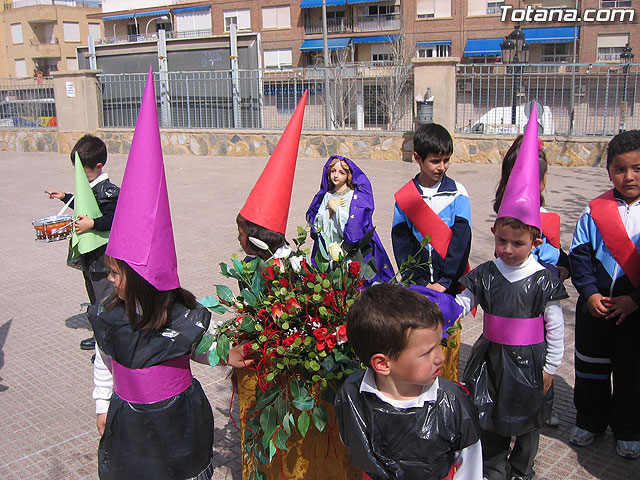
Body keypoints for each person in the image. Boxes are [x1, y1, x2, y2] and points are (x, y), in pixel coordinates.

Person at [89, 67, 214, 479]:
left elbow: (207, 351)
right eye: (107, 271)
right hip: (132, 434)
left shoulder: (183, 317)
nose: (109, 280)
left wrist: (240, 353)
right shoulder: (108, 316)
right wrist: (102, 404)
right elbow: (104, 364)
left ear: (143, 280)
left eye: (116, 274)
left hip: (180, 427)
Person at [456, 107, 567, 480]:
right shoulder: (488, 273)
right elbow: (466, 301)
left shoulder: (545, 278)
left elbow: (555, 327)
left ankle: (523, 469)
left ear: (535, 241)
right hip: (493, 358)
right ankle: (493, 469)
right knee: (489, 416)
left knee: (527, 422)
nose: (505, 249)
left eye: (516, 243)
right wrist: (447, 310)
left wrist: (551, 367)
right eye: (500, 240)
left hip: (530, 362)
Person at [334, 283, 482, 480]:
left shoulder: (453, 403)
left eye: (439, 345)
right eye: (427, 352)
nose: (440, 357)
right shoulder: (351, 397)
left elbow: (470, 468)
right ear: (383, 363)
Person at [568, 129, 640, 459]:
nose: (629, 177)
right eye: (620, 169)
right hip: (594, 310)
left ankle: (628, 428)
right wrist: (590, 293)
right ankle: (591, 421)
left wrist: (635, 300)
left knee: (631, 373)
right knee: (590, 370)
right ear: (608, 170)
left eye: (638, 168)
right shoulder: (593, 210)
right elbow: (580, 255)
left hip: (634, 314)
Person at [493, 134, 570, 428]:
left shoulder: (546, 218)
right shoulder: (508, 217)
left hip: (541, 291)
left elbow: (561, 259)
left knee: (542, 348)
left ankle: (544, 405)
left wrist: (561, 268)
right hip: (517, 293)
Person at [48, 134, 119, 351]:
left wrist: (93, 224)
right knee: (94, 296)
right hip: (89, 257)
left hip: (102, 258)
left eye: (83, 169)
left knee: (107, 298)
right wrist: (64, 197)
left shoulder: (109, 192)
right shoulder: (87, 187)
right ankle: (101, 336)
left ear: (98, 166)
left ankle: (111, 342)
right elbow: (83, 206)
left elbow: (113, 219)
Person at [392, 123, 471, 295]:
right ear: (417, 158)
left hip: (449, 287)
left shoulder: (458, 194)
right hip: (418, 288)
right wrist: (417, 281)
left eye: (446, 160)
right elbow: (402, 245)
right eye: (435, 161)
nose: (442, 167)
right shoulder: (405, 197)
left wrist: (446, 281)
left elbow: (461, 243)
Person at [493, 134, 570, 283]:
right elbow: (522, 263)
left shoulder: (504, 216)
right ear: (540, 181)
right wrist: (559, 270)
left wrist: (565, 265)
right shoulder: (531, 220)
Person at [307, 155, 394, 283]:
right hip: (330, 243)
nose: (336, 176)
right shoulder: (327, 196)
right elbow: (318, 221)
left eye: (341, 172)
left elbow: (353, 223)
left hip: (347, 246)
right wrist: (330, 210)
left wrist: (337, 209)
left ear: (348, 175)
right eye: (333, 171)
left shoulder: (352, 196)